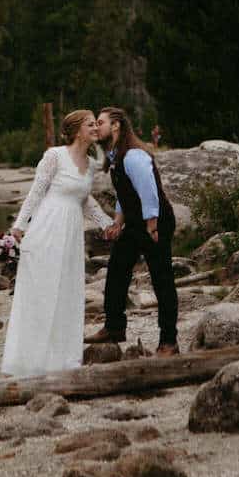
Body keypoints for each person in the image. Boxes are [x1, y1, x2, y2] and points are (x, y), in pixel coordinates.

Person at [0, 109, 114, 376]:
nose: (96, 128)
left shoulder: (90, 163)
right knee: (43, 291)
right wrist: (18, 227)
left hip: (72, 234)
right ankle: (30, 360)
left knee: (67, 291)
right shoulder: (55, 156)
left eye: (96, 124)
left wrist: (107, 223)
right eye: (90, 124)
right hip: (48, 229)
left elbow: (84, 200)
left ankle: (61, 359)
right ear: (76, 131)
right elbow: (36, 192)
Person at [85, 106, 179, 356]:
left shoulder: (133, 156)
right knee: (116, 270)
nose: (97, 127)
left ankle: (169, 341)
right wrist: (117, 222)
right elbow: (125, 195)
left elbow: (148, 189)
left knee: (162, 279)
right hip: (136, 224)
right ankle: (114, 327)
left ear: (116, 126)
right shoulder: (116, 156)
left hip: (155, 222)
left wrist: (151, 223)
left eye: (101, 122)